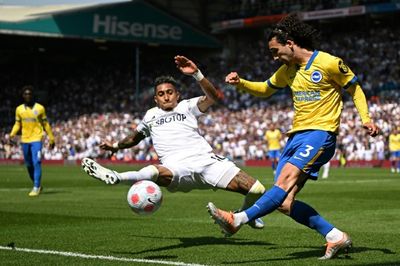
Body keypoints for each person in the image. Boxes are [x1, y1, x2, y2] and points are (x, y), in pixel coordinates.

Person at [207, 14, 379, 260]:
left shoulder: (329, 62)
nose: (274, 57)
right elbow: (265, 89)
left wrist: (366, 119)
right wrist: (241, 83)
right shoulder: (287, 70)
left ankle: (238, 219)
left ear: (290, 42)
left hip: (321, 133)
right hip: (295, 136)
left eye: (276, 51)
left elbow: (355, 88)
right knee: (284, 202)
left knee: (284, 181)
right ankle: (334, 236)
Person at [82, 55, 266, 229]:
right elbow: (134, 137)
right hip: (176, 168)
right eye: (161, 94)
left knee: (257, 189)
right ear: (156, 99)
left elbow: (213, 97)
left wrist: (196, 73)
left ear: (177, 94)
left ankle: (243, 216)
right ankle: (117, 177)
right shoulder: (151, 115)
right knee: (154, 170)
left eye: (170, 92)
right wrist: (115, 146)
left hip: (206, 161)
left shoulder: (187, 106)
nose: (166, 96)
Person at [9, 86, 55, 196]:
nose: (28, 96)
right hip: (25, 140)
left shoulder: (40, 108)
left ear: (33, 95)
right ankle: (37, 184)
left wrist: (51, 138)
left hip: (36, 140)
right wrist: (12, 133)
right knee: (29, 165)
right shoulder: (19, 109)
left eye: (29, 94)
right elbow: (17, 124)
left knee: (37, 162)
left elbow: (45, 124)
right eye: (26, 94)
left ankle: (36, 187)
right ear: (23, 96)